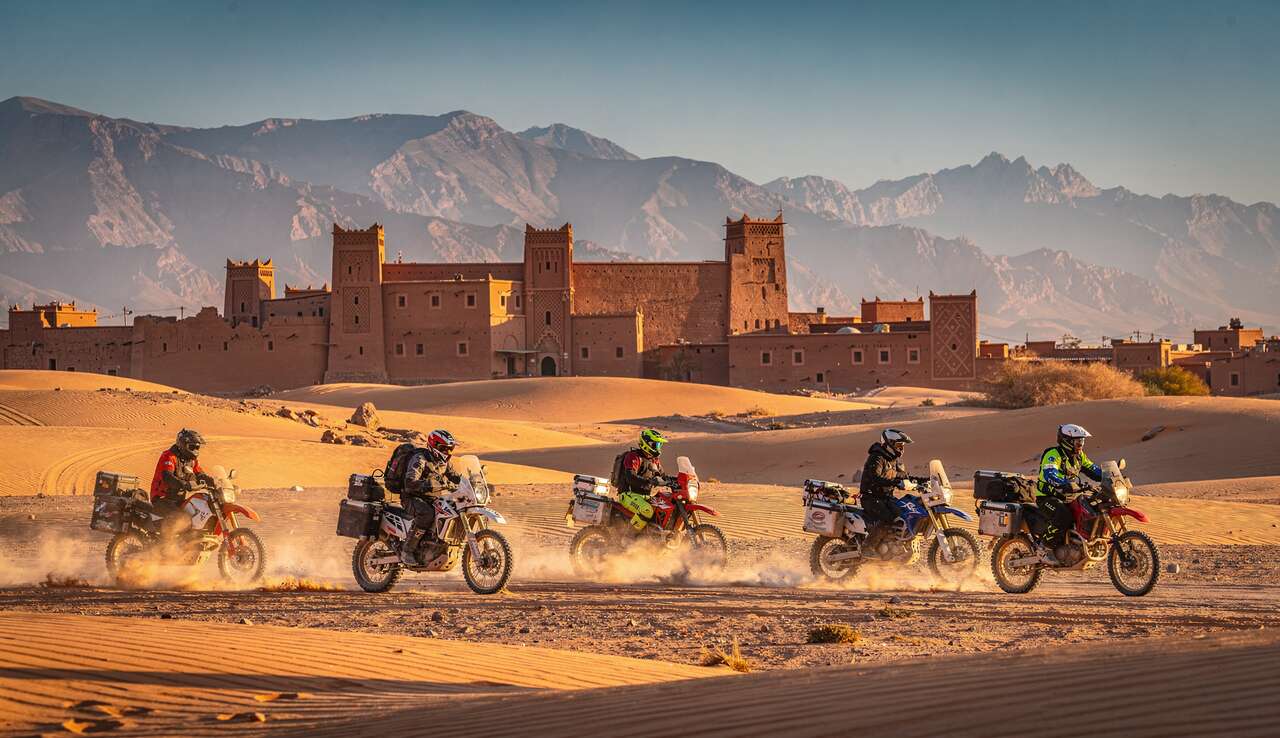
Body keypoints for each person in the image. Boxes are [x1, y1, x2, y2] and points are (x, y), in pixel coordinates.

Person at [1034, 423, 1103, 548]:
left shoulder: (1079, 457)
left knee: (1091, 509)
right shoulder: (1053, 454)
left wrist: (1109, 475)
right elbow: (1050, 473)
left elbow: (1093, 469)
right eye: (1078, 441)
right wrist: (1065, 483)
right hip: (1048, 497)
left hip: (1069, 496)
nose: (1081, 445)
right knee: (1063, 515)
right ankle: (1044, 546)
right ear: (1067, 441)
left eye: (1082, 441)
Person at [399, 429, 460, 564]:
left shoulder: (444, 463)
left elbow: (456, 478)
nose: (448, 453)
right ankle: (407, 550)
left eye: (450, 449)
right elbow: (409, 483)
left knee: (452, 509)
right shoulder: (420, 459)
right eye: (445, 449)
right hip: (411, 497)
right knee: (427, 514)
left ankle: (434, 543)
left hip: (431, 498)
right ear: (435, 446)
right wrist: (429, 484)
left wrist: (471, 482)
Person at [149, 428, 215, 543]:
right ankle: (165, 546)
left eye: (197, 447)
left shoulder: (191, 460)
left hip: (178, 499)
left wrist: (212, 481)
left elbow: (199, 473)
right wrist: (183, 484)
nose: (195, 450)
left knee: (194, 514)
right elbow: (167, 476)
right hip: (162, 498)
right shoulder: (169, 456)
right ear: (183, 445)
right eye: (192, 447)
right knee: (182, 519)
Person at [858, 429, 913, 529]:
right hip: (871, 498)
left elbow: (902, 475)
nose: (901, 449)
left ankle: (896, 543)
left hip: (886, 498)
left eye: (902, 446)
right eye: (899, 445)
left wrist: (924, 480)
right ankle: (868, 545)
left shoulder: (892, 459)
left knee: (904, 515)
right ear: (889, 443)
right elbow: (875, 478)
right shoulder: (876, 457)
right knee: (888, 520)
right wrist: (895, 482)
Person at [616, 429, 669, 530]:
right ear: (646, 443)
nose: (658, 448)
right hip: (628, 495)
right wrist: (649, 481)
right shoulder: (633, 457)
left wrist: (677, 481)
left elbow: (663, 476)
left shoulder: (654, 460)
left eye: (659, 445)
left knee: (662, 509)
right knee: (647, 510)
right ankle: (629, 536)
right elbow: (630, 477)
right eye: (656, 445)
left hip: (644, 496)